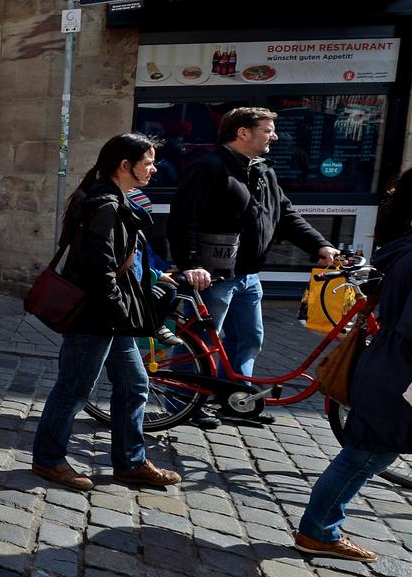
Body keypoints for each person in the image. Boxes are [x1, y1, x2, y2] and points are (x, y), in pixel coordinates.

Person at [31, 133, 183, 493]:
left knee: (134, 383)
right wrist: (118, 310)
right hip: (95, 317)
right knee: (73, 390)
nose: (153, 168)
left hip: (112, 316)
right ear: (124, 166)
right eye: (147, 161)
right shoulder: (106, 206)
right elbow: (97, 271)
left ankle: (130, 462)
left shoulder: (114, 199)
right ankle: (48, 459)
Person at [168, 107, 335, 426]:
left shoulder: (262, 170)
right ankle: (183, 402)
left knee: (249, 338)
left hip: (248, 274)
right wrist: (190, 263)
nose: (275, 136)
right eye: (267, 130)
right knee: (200, 345)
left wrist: (319, 245)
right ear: (242, 133)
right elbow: (182, 219)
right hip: (212, 275)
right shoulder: (209, 168)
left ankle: (235, 400)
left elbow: (285, 215)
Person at [294, 167, 412, 562]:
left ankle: (320, 529)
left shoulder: (403, 246)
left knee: (374, 452)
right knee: (363, 454)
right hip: (399, 371)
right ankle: (317, 531)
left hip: (387, 364)